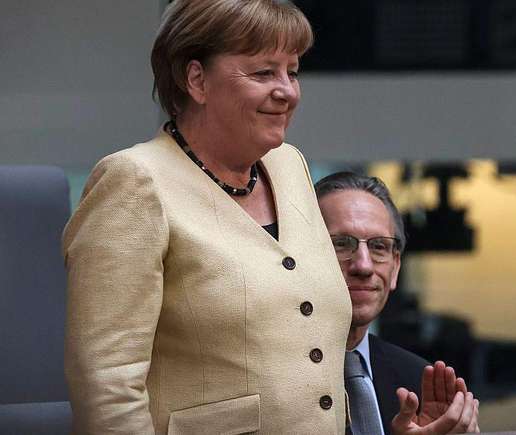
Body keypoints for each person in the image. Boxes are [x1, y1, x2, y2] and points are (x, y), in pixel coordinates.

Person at [62, 1, 353, 433]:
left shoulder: (289, 166)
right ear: (196, 79)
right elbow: (107, 382)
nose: (287, 91)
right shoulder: (134, 181)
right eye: (262, 73)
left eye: (291, 71)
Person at [316, 172, 481, 435]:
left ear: (395, 268)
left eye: (379, 247)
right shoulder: (268, 378)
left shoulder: (420, 382)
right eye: (341, 244)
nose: (364, 266)